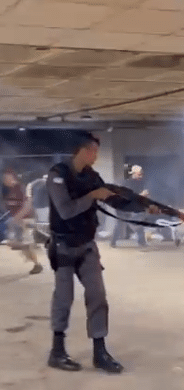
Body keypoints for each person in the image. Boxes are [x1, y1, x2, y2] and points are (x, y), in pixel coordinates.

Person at [46, 132, 124, 373]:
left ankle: (100, 352)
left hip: (87, 246)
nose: (96, 155)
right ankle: (57, 352)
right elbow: (66, 211)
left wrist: (146, 206)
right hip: (63, 247)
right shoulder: (57, 175)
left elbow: (112, 197)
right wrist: (91, 196)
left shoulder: (92, 176)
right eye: (94, 151)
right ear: (84, 150)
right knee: (64, 299)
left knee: (98, 296)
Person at [2, 169, 43, 274]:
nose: (5, 181)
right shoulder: (9, 191)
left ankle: (37, 264)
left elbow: (28, 205)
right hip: (17, 221)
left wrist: (18, 218)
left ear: (13, 178)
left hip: (26, 219)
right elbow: (9, 206)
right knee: (15, 243)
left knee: (24, 244)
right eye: (4, 179)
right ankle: (30, 251)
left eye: (7, 178)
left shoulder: (20, 188)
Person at [111, 165, 148, 248]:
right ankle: (113, 242)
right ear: (134, 174)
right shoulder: (126, 183)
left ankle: (142, 243)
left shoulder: (139, 183)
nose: (141, 176)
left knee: (138, 223)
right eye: (139, 174)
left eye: (141, 174)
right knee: (120, 224)